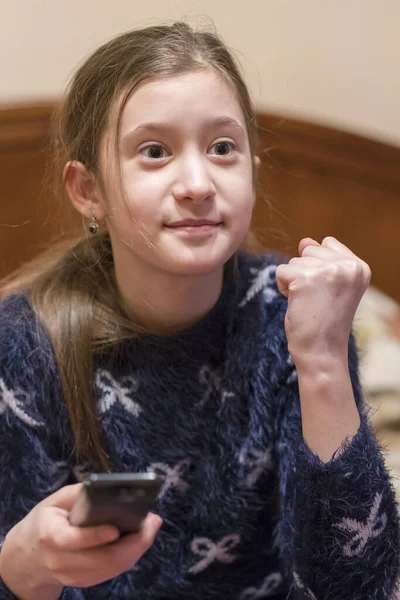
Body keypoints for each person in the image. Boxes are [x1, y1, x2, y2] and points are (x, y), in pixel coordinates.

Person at [0, 21, 398, 600]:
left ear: (253, 173)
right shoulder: (25, 342)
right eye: (154, 151)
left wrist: (322, 361)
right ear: (88, 191)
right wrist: (23, 565)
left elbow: (355, 586)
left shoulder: (296, 317)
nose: (197, 183)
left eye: (222, 148)